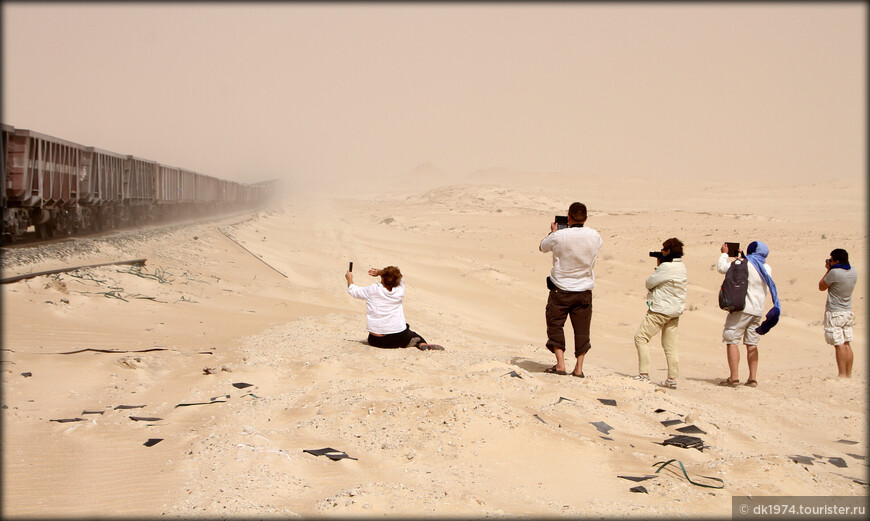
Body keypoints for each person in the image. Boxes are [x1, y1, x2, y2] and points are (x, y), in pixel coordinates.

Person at [539, 202, 603, 377]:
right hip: (584, 291)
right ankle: (579, 368)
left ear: (568, 216)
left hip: (561, 289)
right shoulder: (595, 235)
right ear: (586, 218)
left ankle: (560, 364)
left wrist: (553, 232)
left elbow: (542, 247)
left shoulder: (559, 236)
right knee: (582, 329)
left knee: (555, 325)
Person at [717, 241, 781, 387]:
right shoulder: (766, 267)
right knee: (752, 343)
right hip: (758, 310)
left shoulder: (742, 263)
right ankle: (752, 378)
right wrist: (743, 258)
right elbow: (751, 268)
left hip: (742, 308)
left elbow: (722, 268)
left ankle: (734, 377)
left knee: (732, 339)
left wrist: (724, 253)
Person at [632, 238, 687, 389]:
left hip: (660, 310)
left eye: (663, 250)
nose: (662, 252)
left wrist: (659, 266)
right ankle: (671, 378)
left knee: (641, 338)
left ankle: (644, 374)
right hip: (675, 311)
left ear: (668, 251)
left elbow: (649, 283)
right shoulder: (681, 267)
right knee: (670, 345)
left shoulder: (666, 267)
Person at [345, 265, 442, 350]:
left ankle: (411, 343)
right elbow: (401, 276)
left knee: (404, 333)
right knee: (413, 334)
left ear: (383, 278)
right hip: (399, 337)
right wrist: (381, 272)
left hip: (377, 340)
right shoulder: (400, 290)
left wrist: (349, 278)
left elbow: (353, 290)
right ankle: (422, 344)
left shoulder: (373, 290)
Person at [818, 248, 857, 377]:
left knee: (839, 344)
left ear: (837, 261)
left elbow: (821, 286)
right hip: (847, 311)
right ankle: (848, 374)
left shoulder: (834, 274)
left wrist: (828, 270)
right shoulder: (854, 271)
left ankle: (842, 374)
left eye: (832, 260)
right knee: (846, 344)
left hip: (834, 312)